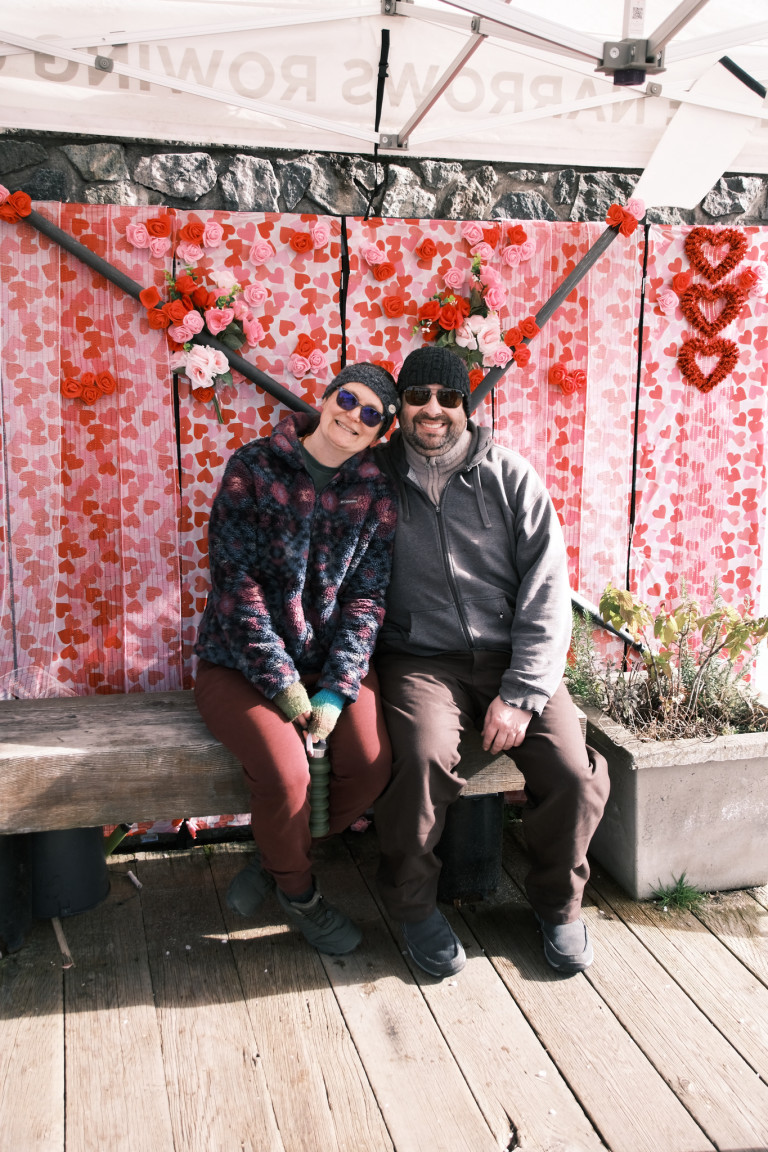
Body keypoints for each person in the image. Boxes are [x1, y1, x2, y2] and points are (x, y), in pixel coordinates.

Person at [372, 345, 609, 978]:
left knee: (573, 773)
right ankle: (415, 907)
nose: (433, 409)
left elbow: (547, 587)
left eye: (448, 398)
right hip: (421, 660)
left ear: (466, 406)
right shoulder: (374, 479)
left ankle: (558, 904)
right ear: (400, 406)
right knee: (421, 758)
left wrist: (524, 691)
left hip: (513, 658)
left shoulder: (509, 475)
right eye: (418, 396)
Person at [194, 362, 399, 956]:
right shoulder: (254, 467)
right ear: (327, 398)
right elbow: (234, 583)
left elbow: (367, 598)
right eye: (347, 399)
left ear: (380, 431)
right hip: (239, 662)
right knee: (288, 778)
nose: (353, 416)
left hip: (329, 663)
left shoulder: (376, 492)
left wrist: (335, 690)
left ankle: (277, 855)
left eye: (370, 414)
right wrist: (283, 685)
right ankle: (299, 894)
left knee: (371, 766)